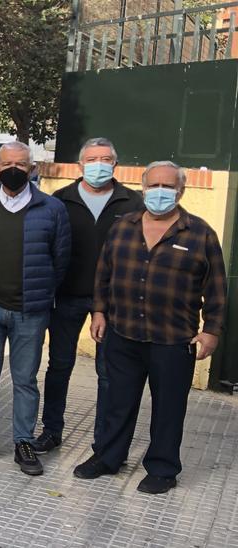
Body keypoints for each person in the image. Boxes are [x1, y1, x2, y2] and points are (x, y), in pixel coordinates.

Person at [76, 161, 226, 494]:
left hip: (174, 340)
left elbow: (216, 287)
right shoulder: (123, 227)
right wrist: (98, 312)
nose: (160, 192)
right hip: (123, 332)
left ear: (181, 191)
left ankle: (162, 468)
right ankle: (108, 457)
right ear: (143, 189)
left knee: (169, 407)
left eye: (167, 186)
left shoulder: (200, 233)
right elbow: (103, 274)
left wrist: (211, 330)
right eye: (154, 186)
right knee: (118, 401)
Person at [0, 141, 70, 476]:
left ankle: (23, 440)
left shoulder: (52, 210)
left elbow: (61, 260)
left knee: (25, 379)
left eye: (21, 165)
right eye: (7, 163)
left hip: (30, 311)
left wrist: (41, 295)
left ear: (32, 168)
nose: (13, 169)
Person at [37, 138, 141, 455]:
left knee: (108, 374)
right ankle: (51, 430)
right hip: (66, 298)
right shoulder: (60, 200)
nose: (99, 164)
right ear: (81, 165)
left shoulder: (132, 204)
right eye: (92, 159)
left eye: (105, 158)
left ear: (115, 164)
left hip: (112, 304)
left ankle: (105, 440)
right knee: (59, 367)